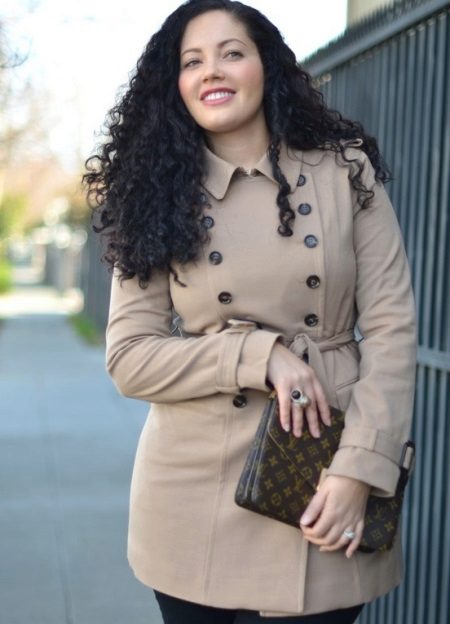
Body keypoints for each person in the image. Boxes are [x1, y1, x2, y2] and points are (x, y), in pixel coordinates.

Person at [83, 1, 417, 622]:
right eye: (191, 62)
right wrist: (260, 356)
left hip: (324, 472)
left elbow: (393, 330)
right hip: (193, 490)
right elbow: (129, 358)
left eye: (231, 53)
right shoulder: (152, 192)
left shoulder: (343, 171)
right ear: (176, 85)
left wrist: (362, 470)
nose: (211, 71)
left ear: (267, 66)